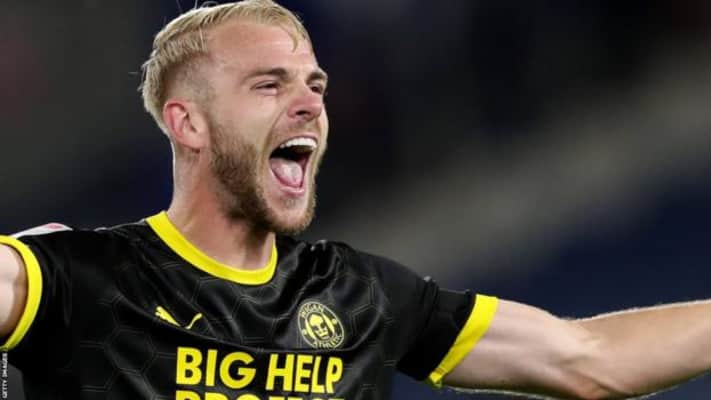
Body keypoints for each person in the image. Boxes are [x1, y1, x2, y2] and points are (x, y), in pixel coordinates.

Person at [0, 1, 709, 399]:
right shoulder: (76, 278)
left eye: (315, 86)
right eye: (269, 85)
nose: (309, 105)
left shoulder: (360, 297)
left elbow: (587, 357)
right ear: (188, 124)